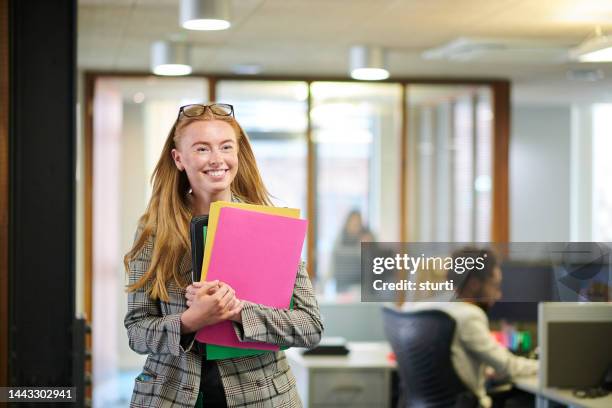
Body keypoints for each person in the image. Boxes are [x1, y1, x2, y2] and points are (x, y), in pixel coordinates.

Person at [123, 103, 323, 408]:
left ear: (237, 154)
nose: (217, 159)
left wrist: (236, 310)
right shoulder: (153, 231)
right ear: (179, 159)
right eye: (202, 149)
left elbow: (309, 327)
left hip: (262, 397)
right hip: (170, 397)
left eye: (226, 147)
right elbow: (137, 333)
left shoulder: (272, 227)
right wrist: (189, 321)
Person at [409, 247, 538, 408]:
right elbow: (508, 367)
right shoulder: (469, 315)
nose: (499, 295)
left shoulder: (425, 308)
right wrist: (544, 366)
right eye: (495, 286)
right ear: (474, 284)